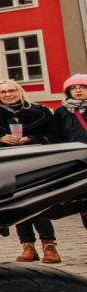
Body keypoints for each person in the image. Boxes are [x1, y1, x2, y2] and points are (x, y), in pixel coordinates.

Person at [0, 78, 58, 262]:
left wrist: (32, 138)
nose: (8, 94)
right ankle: (28, 246)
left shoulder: (40, 112)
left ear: (19, 91)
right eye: (3, 92)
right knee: (19, 205)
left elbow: (54, 135)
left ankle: (49, 245)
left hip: (36, 162)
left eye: (11, 90)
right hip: (8, 164)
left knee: (39, 203)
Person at [55, 74, 87, 236]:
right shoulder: (61, 112)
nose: (78, 90)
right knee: (84, 203)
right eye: (73, 88)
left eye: (83, 87)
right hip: (77, 163)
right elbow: (57, 137)